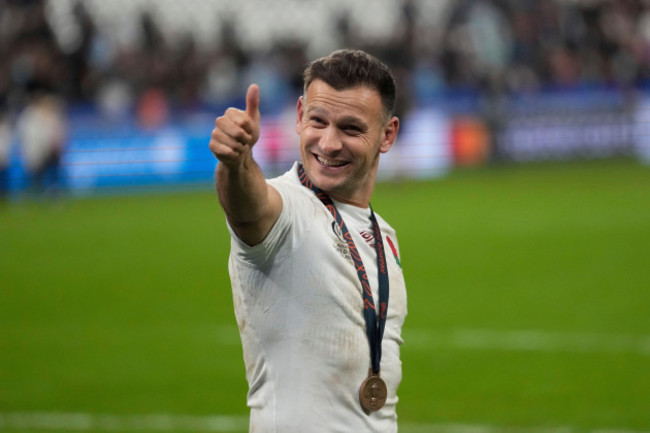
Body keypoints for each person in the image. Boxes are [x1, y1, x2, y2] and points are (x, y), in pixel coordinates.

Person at [209, 49, 407, 432]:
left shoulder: (384, 236)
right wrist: (236, 163)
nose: (329, 144)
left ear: (387, 135)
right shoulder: (287, 211)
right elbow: (248, 206)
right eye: (318, 121)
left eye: (351, 129)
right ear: (299, 117)